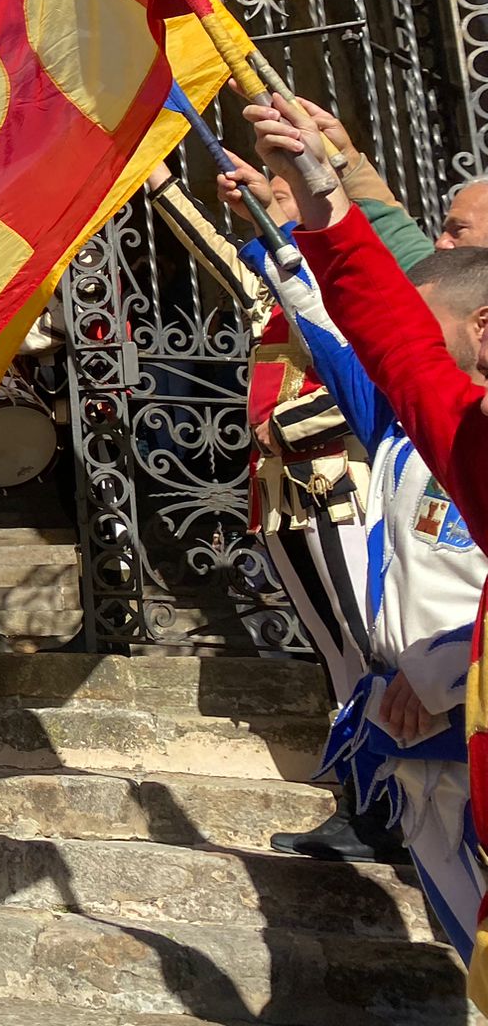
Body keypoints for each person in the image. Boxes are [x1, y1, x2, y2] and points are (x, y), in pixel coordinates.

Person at [246, 96, 488, 989]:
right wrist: (307, 201)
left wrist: (449, 696)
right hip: (427, 732)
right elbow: (372, 335)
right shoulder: (444, 435)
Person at [144, 160, 398, 863]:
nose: (265, 203)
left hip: (342, 484)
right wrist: (161, 180)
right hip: (283, 495)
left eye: (281, 194)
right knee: (336, 657)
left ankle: (391, 808)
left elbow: (371, 380)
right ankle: (362, 799)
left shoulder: (343, 281)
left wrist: (289, 426)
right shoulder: (271, 281)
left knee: (371, 647)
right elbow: (213, 244)